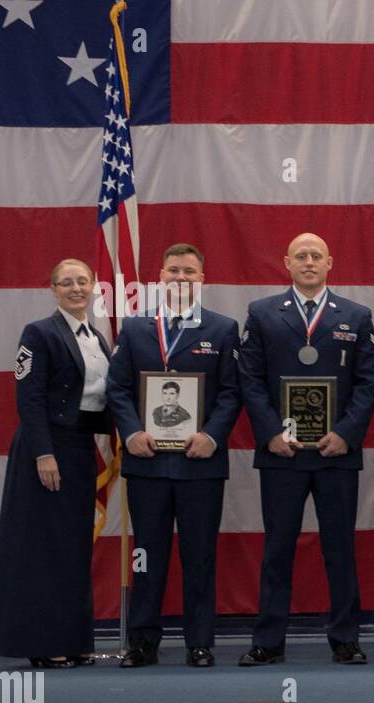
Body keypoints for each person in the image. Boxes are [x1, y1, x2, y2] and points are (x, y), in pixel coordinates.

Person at [238, 233, 374, 665]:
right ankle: (268, 640)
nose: (309, 261)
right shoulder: (262, 314)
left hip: (336, 451)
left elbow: (368, 381)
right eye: (301, 255)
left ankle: (346, 639)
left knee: (339, 548)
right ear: (286, 263)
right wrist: (269, 434)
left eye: (317, 255)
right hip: (282, 452)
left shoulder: (356, 316)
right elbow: (250, 379)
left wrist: (347, 433)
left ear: (330, 262)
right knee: (278, 547)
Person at [106, 243, 241, 667]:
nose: (181, 278)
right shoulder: (135, 329)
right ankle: (142, 641)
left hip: (200, 463)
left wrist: (212, 436)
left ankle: (199, 641)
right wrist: (130, 432)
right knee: (146, 556)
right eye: (173, 271)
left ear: (202, 279)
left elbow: (232, 393)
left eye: (189, 272)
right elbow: (118, 389)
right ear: (159, 277)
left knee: (199, 556)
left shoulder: (223, 329)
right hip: (147, 463)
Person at [0, 259, 113, 668]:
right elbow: (30, 397)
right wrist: (43, 453)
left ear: (94, 286)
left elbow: (100, 400)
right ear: (53, 289)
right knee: (42, 549)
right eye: (66, 283)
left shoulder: (97, 338)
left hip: (79, 449)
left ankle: (73, 640)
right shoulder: (39, 333)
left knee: (72, 548)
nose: (76, 289)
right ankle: (42, 643)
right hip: (45, 451)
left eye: (82, 281)